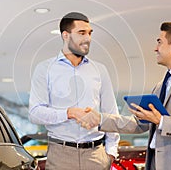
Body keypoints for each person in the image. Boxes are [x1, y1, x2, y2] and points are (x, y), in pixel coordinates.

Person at [80, 21, 171, 170]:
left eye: (159, 42)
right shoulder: (159, 86)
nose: (155, 48)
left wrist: (162, 121)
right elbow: (139, 123)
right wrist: (100, 119)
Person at [28, 12, 120, 169]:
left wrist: (110, 153)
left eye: (90, 33)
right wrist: (69, 113)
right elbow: (35, 113)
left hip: (96, 155)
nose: (88, 38)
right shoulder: (45, 69)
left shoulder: (100, 70)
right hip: (60, 155)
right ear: (66, 35)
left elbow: (111, 114)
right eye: (81, 33)